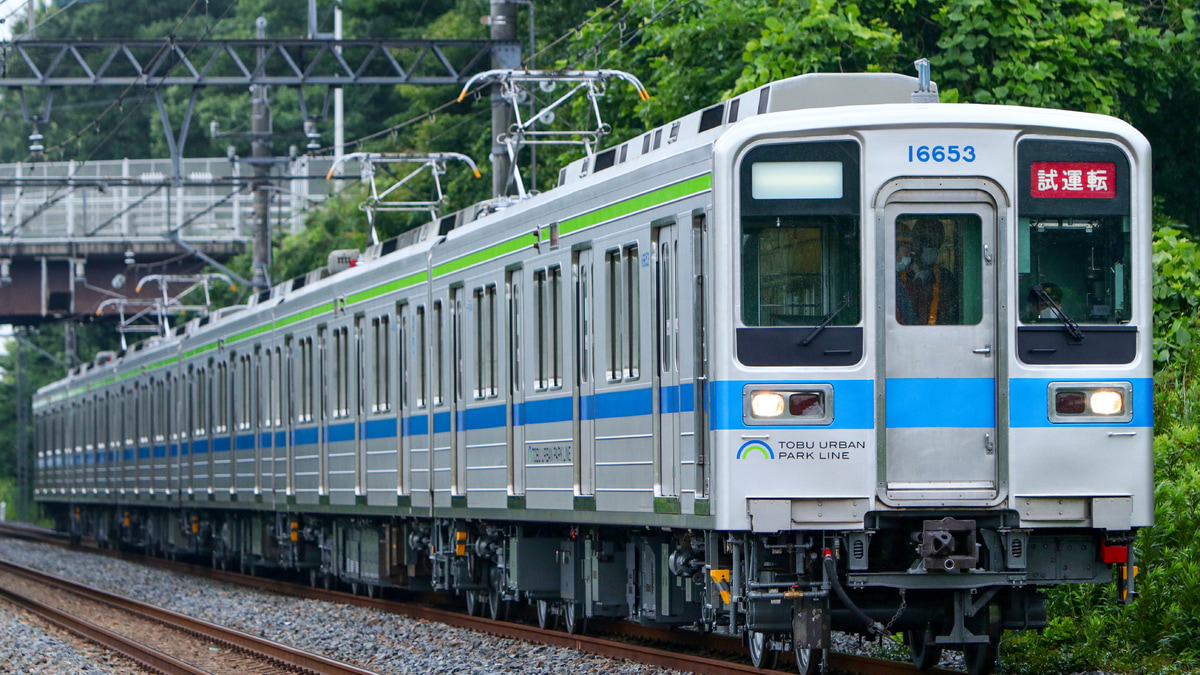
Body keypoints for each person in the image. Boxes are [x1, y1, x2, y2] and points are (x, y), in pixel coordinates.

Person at [898, 219, 959, 325]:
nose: (933, 248)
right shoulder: (899, 274)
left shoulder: (946, 278)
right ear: (917, 243)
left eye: (937, 244)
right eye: (928, 242)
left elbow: (951, 315)